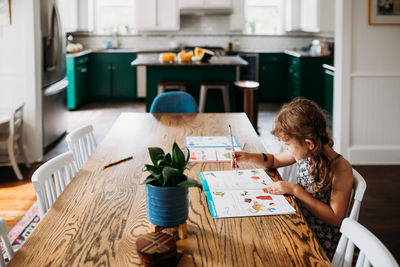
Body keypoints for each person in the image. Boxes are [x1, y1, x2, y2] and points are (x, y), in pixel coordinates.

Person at [232, 97, 353, 260]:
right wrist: (247, 156)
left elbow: (334, 218)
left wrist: (296, 191)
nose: (285, 148)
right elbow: (274, 160)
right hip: (298, 220)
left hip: (319, 241)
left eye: (287, 145)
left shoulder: (340, 168)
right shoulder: (306, 152)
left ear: (309, 143)